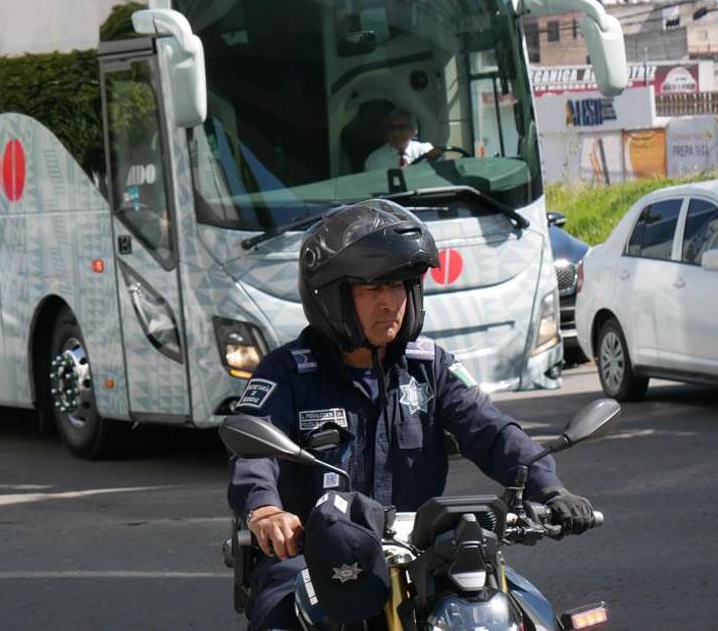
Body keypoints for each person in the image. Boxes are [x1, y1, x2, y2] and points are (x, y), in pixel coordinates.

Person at [227, 199, 596, 630]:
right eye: (373, 290)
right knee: (280, 617)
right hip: (316, 555)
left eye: (400, 286)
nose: (391, 303)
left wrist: (549, 488)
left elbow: (492, 431)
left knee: (524, 612)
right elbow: (252, 449)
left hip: (423, 552)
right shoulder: (288, 373)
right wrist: (267, 512)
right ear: (331, 297)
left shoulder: (430, 367)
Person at [363, 109, 441, 170]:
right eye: (392, 128)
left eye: (401, 128)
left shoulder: (424, 150)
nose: (396, 133)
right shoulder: (375, 159)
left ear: (413, 131)